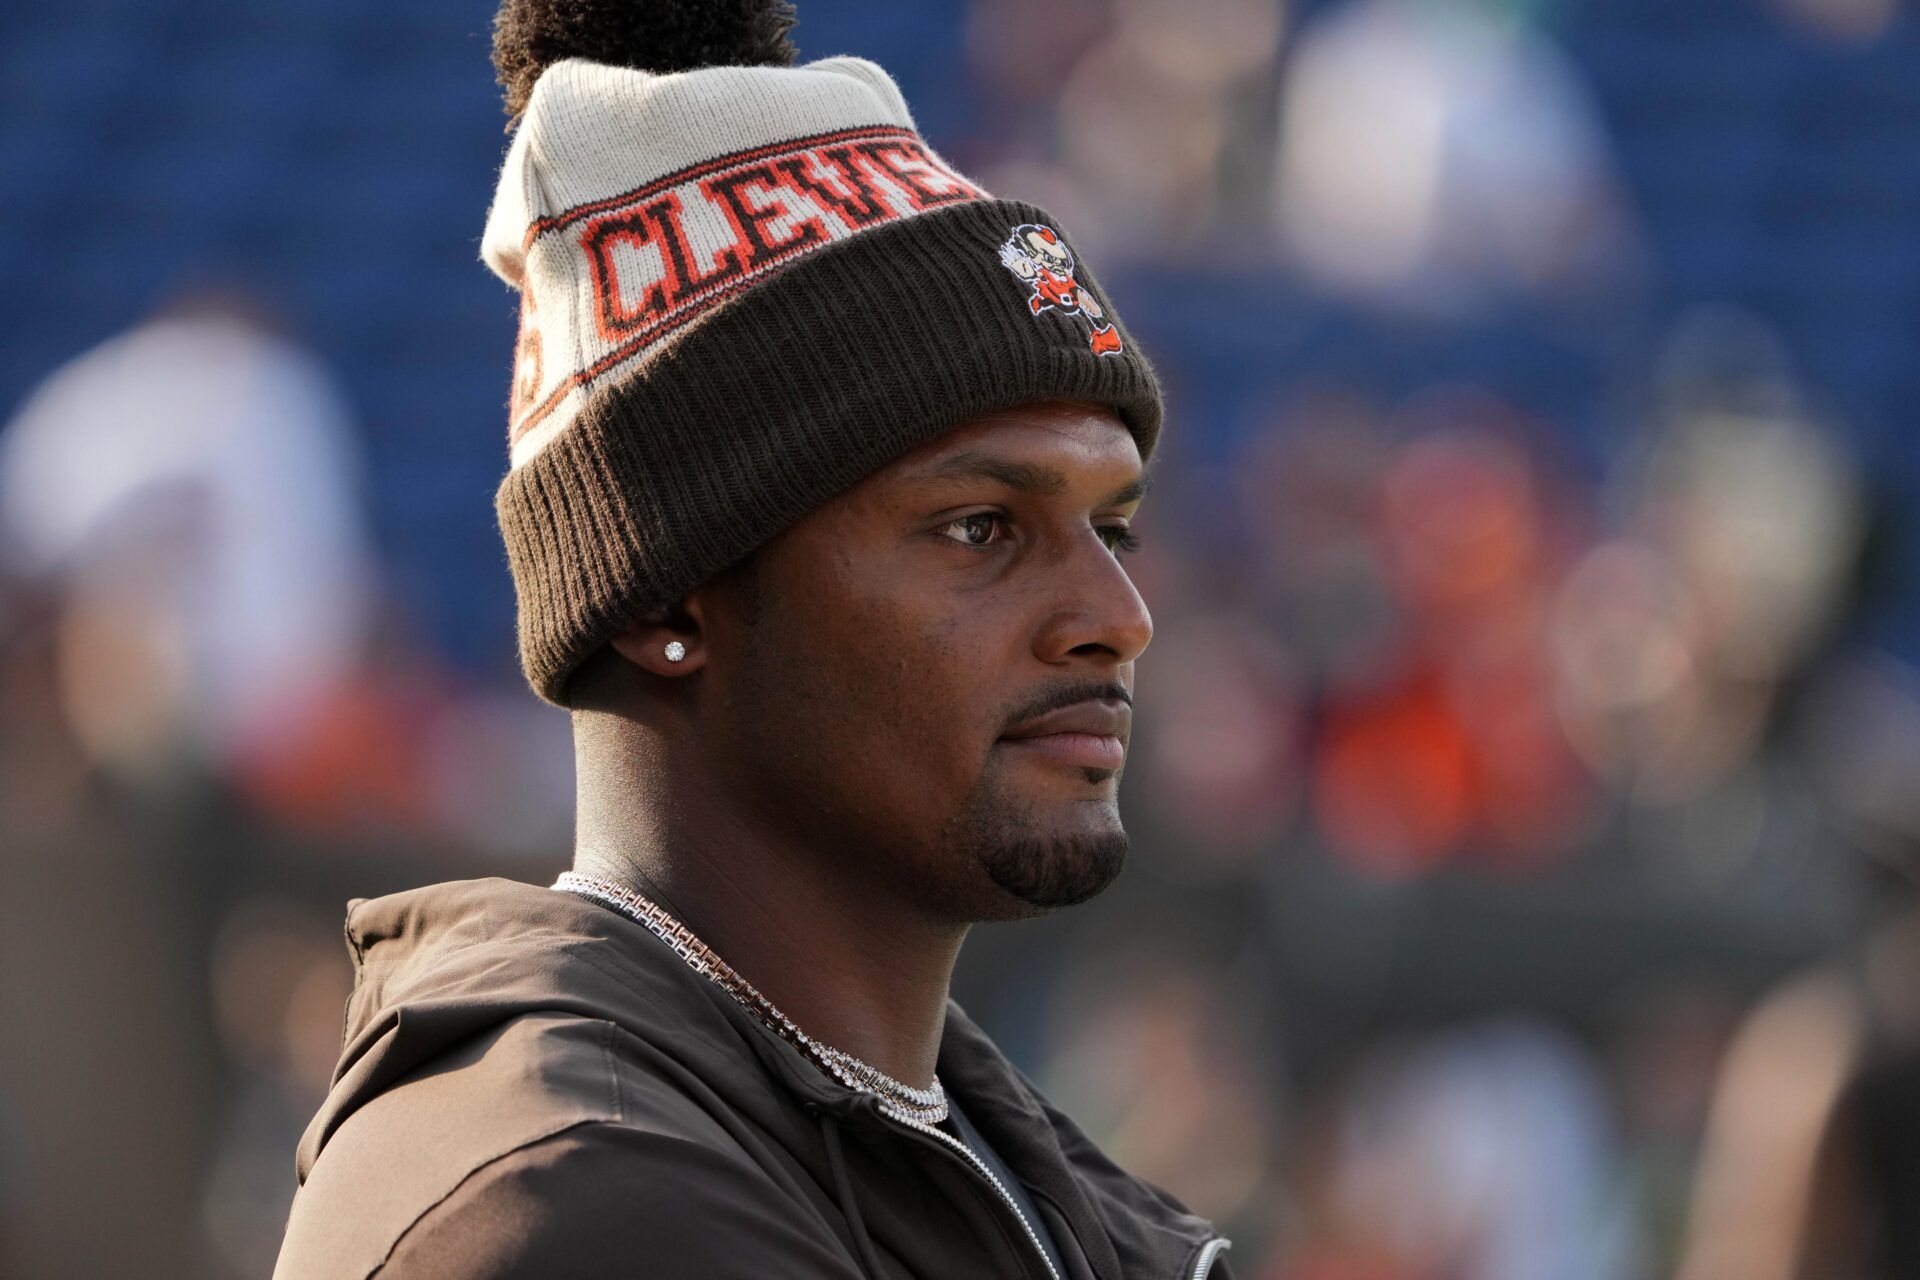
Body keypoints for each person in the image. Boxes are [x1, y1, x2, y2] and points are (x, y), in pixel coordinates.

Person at [274, 2, 1234, 1277]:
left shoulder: (997, 1163)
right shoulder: (573, 1199)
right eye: (978, 529)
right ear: (668, 599)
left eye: (1112, 527)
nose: (1117, 617)